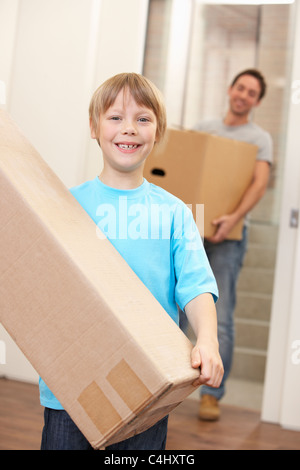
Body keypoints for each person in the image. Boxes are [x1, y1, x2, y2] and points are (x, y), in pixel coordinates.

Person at [39, 73, 224, 450]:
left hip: (146, 388)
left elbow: (196, 285)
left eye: (143, 119)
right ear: (93, 127)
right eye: (115, 117)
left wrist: (207, 338)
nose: (129, 129)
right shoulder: (65, 206)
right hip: (72, 388)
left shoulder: (174, 213)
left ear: (158, 131)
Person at [192, 69, 273, 421]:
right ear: (230, 89)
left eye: (252, 92)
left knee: (220, 317)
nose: (243, 95)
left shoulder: (260, 138)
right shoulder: (204, 128)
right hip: (191, 233)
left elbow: (258, 184)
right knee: (176, 312)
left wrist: (233, 217)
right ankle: (165, 384)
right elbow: (186, 172)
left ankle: (212, 395)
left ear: (257, 101)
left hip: (230, 237)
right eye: (240, 87)